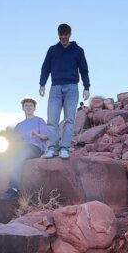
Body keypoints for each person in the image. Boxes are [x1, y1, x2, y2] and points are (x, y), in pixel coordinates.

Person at [0, 98, 49, 201]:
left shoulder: (39, 120)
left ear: (34, 108)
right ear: (23, 108)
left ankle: (14, 189)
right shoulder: (19, 125)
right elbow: (13, 141)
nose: (28, 107)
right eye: (26, 105)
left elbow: (46, 136)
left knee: (19, 157)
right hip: (20, 147)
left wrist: (36, 134)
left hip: (34, 147)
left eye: (31, 105)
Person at [38, 23, 90, 159]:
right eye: (61, 36)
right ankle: (52, 148)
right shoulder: (52, 50)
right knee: (52, 119)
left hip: (72, 88)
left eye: (65, 35)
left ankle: (65, 148)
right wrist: (42, 84)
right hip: (55, 87)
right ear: (58, 35)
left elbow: (84, 69)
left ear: (69, 34)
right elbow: (45, 68)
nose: (63, 38)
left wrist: (87, 87)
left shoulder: (78, 50)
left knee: (69, 119)